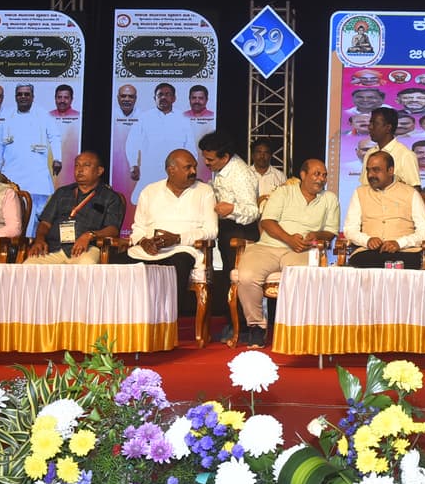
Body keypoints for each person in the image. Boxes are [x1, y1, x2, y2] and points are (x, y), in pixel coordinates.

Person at [237, 159, 340, 345]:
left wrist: (316, 235)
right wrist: (289, 238)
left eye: (324, 175)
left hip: (303, 249)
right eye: (317, 174)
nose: (321, 179)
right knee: (246, 276)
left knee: (301, 277)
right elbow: (267, 222)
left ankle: (295, 327)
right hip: (268, 246)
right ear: (303, 175)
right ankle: (256, 326)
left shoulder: (330, 199)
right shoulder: (283, 192)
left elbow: (331, 232)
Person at [127, 149, 218, 315]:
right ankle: (129, 319)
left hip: (182, 249)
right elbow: (138, 228)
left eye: (195, 167)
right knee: (118, 263)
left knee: (179, 263)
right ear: (171, 170)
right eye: (188, 167)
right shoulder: (149, 191)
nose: (194, 171)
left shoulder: (205, 191)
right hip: (149, 250)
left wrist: (178, 239)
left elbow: (211, 231)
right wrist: (144, 242)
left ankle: (167, 320)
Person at [198, 130, 263, 322]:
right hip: (228, 229)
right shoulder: (223, 168)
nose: (206, 163)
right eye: (205, 158)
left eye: (210, 159)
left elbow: (253, 211)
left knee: (239, 280)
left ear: (225, 157)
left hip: (241, 232)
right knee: (229, 277)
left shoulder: (240, 174)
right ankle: (233, 323)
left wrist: (232, 209)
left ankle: (243, 326)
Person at [24, 151, 125, 264]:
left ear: (99, 171)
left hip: (87, 248)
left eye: (86, 165)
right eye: (77, 165)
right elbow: (45, 223)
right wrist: (39, 240)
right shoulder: (62, 193)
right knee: (29, 265)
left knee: (86, 263)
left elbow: (113, 229)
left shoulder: (110, 197)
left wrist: (89, 235)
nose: (80, 170)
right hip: (54, 247)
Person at [344, 151, 425, 269]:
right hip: (368, 253)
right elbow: (350, 229)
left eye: (376, 170)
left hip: (404, 252)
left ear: (390, 170)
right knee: (362, 262)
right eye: (368, 170)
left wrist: (399, 243)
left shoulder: (411, 193)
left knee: (404, 263)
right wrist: (367, 240)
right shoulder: (359, 193)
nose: (370, 175)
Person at [0, 83, 62, 231]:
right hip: (12, 173)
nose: (23, 97)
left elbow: (54, 136)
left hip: (35, 175)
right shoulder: (6, 116)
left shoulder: (43, 114)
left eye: (27, 94)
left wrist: (58, 158)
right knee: (12, 212)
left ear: (33, 97)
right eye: (20, 94)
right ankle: (17, 242)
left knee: (35, 213)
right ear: (15, 97)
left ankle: (30, 241)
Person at [126, 83, 197, 204]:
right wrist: (133, 164)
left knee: (176, 202)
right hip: (150, 170)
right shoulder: (144, 118)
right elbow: (132, 142)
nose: (163, 97)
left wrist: (192, 167)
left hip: (176, 171)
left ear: (174, 98)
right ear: (155, 98)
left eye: (167, 94)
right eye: (160, 95)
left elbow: (190, 145)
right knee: (144, 202)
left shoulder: (183, 118)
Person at [362, 107, 421, 187]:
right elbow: (365, 185)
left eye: (375, 124)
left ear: (388, 127)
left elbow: (415, 188)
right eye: (370, 123)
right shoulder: (370, 153)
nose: (370, 127)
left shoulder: (406, 155)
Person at [251, 138, 286, 204]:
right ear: (252, 155)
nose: (262, 156)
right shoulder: (245, 174)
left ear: (270, 156)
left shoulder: (280, 176)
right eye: (259, 152)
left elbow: (285, 201)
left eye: (266, 152)